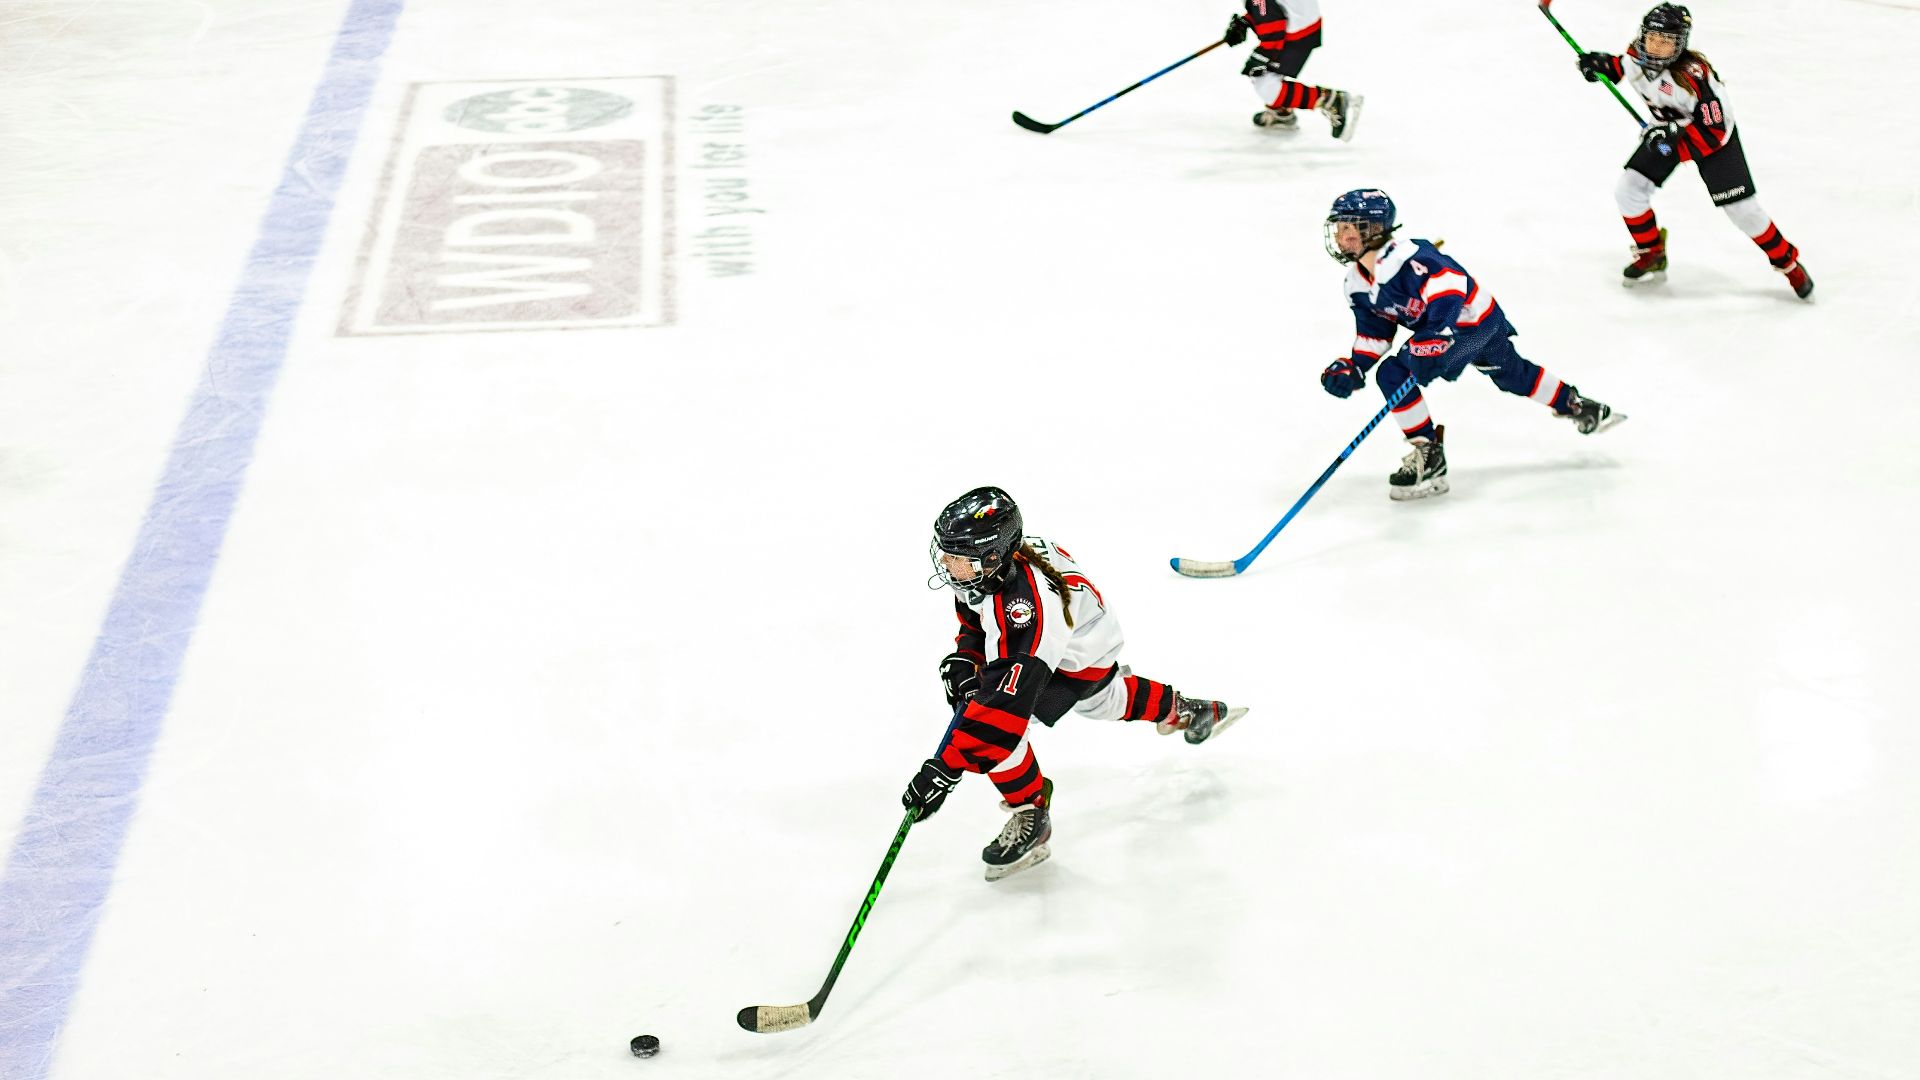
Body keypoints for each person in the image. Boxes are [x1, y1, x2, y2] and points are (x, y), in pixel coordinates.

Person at [903, 487, 1247, 881]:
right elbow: (977, 612)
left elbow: (1000, 716)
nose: (946, 563)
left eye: (956, 556)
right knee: (1105, 699)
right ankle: (1187, 709)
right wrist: (969, 655)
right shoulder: (995, 568)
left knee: (1003, 736)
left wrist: (945, 769)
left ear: (992, 555)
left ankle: (1031, 814)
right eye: (946, 552)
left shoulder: (1025, 615)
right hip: (1083, 640)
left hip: (1074, 657)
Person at [1319, 189, 1623, 501]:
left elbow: (1452, 290)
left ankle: (1430, 455)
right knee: (1512, 375)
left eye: (1348, 228)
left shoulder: (1411, 259)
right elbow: (1376, 332)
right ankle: (1575, 404)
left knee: (1394, 373)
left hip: (1473, 326)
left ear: (1373, 230)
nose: (1341, 237)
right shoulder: (1357, 283)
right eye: (1339, 228)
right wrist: (1355, 366)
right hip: (1450, 331)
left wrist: (1433, 340)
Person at [1575, 4, 1813, 298]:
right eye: (1652, 38)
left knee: (1743, 211)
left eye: (1666, 42)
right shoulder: (1636, 58)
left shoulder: (1694, 78)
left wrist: (1675, 136)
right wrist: (1601, 66)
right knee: (1629, 189)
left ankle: (1787, 263)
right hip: (1664, 135)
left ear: (1680, 45)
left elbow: (1716, 131)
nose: (1656, 46)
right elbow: (1623, 67)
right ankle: (1652, 251)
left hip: (1713, 143)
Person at [1222, 1, 1360, 139]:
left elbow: (1272, 26)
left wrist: (1260, 58)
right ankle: (1282, 111)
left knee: (1265, 84)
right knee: (1268, 72)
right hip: (1301, 21)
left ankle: (1330, 99)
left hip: (1297, 32)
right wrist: (1247, 21)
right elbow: (1268, 8)